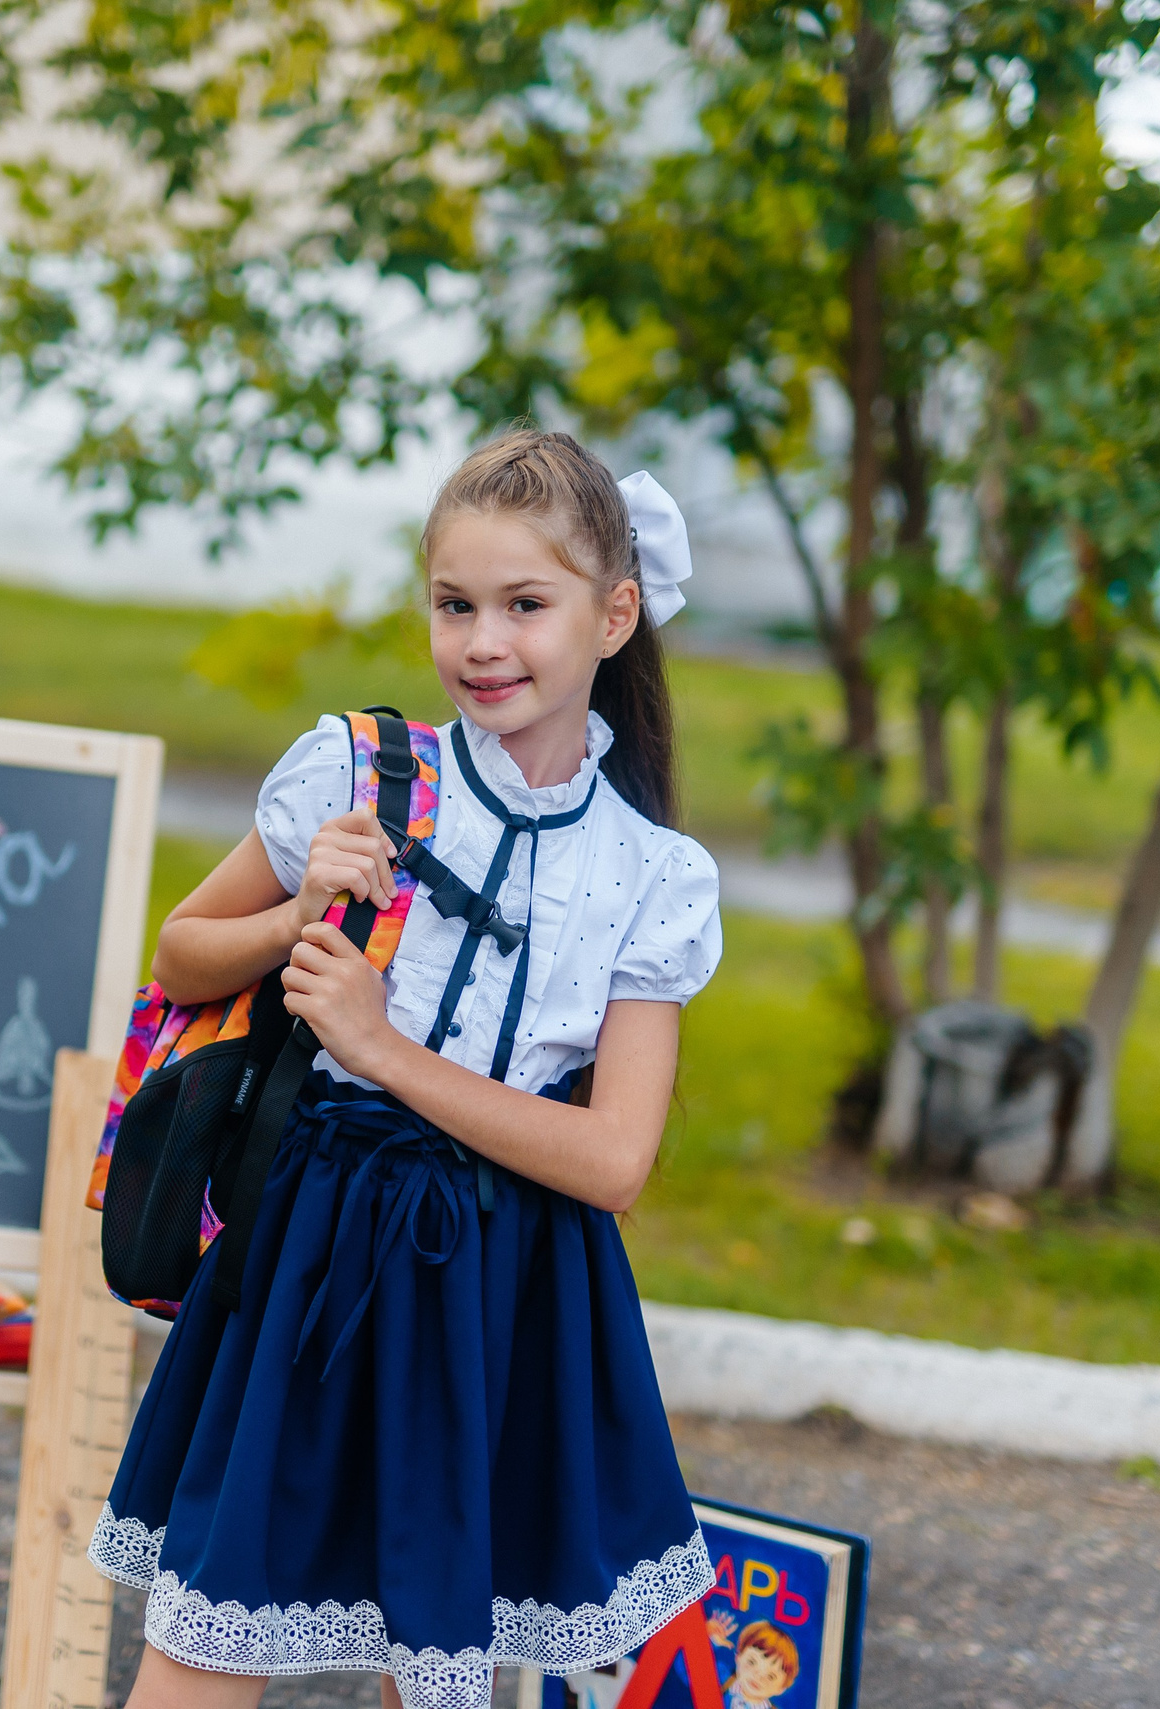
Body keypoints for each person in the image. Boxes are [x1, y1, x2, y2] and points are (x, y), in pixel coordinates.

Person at [91, 429, 726, 1709]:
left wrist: (379, 1047)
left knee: (437, 1656)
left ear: (613, 616)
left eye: (524, 604)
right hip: (310, 1244)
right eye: (454, 604)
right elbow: (180, 951)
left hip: (505, 1275)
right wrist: (297, 916)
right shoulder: (363, 774)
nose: (483, 642)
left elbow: (613, 1161)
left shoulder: (652, 873)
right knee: (207, 1641)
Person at [725, 1621, 803, 1709]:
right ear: (738, 1657)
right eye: (752, 1662)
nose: (758, 1676)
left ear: (781, 1688)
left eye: (770, 1676)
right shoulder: (721, 1681)